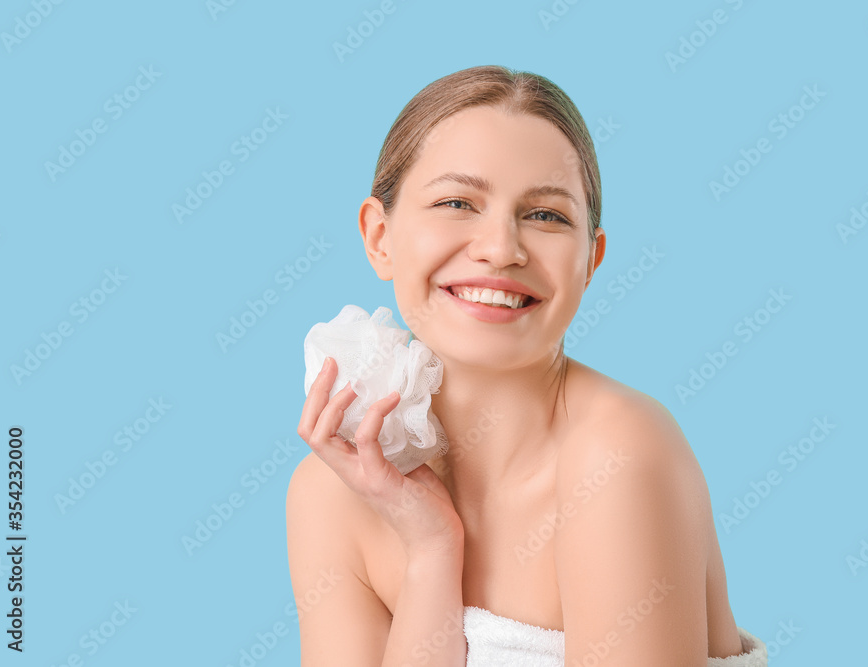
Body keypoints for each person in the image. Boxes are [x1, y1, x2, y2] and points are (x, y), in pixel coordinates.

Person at [287, 65, 766, 666]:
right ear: (380, 236)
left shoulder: (618, 457)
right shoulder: (333, 497)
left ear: (589, 261)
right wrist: (432, 550)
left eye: (545, 215)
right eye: (457, 202)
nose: (500, 248)